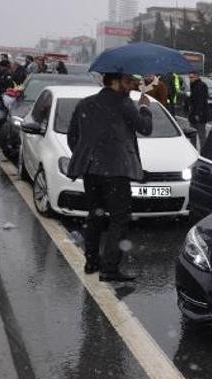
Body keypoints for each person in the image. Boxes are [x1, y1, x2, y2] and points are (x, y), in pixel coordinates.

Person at [66, 73, 153, 282]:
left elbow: (73, 137)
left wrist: (88, 156)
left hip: (91, 170)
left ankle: (91, 262)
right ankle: (109, 269)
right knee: (119, 220)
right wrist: (145, 108)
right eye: (128, 81)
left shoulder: (85, 104)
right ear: (114, 82)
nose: (133, 85)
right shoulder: (124, 103)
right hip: (116, 172)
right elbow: (145, 128)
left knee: (94, 216)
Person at [187, 70, 210, 143]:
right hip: (193, 113)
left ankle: (203, 152)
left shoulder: (202, 86)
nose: (190, 79)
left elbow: (201, 101)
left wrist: (197, 113)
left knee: (201, 135)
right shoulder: (193, 85)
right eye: (189, 78)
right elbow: (193, 100)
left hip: (200, 114)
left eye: (192, 77)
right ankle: (193, 151)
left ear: (197, 76)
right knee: (192, 134)